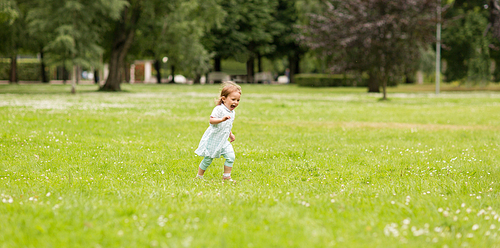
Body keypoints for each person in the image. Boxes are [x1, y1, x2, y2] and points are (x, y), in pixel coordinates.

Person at [195, 81, 241, 181]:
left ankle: (226, 177)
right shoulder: (219, 109)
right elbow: (211, 120)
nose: (236, 102)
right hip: (214, 139)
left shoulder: (232, 112)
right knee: (208, 159)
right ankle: (199, 177)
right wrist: (221, 119)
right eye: (233, 99)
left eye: (238, 100)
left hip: (223, 140)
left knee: (231, 156)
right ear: (224, 99)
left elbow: (227, 125)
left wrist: (230, 134)